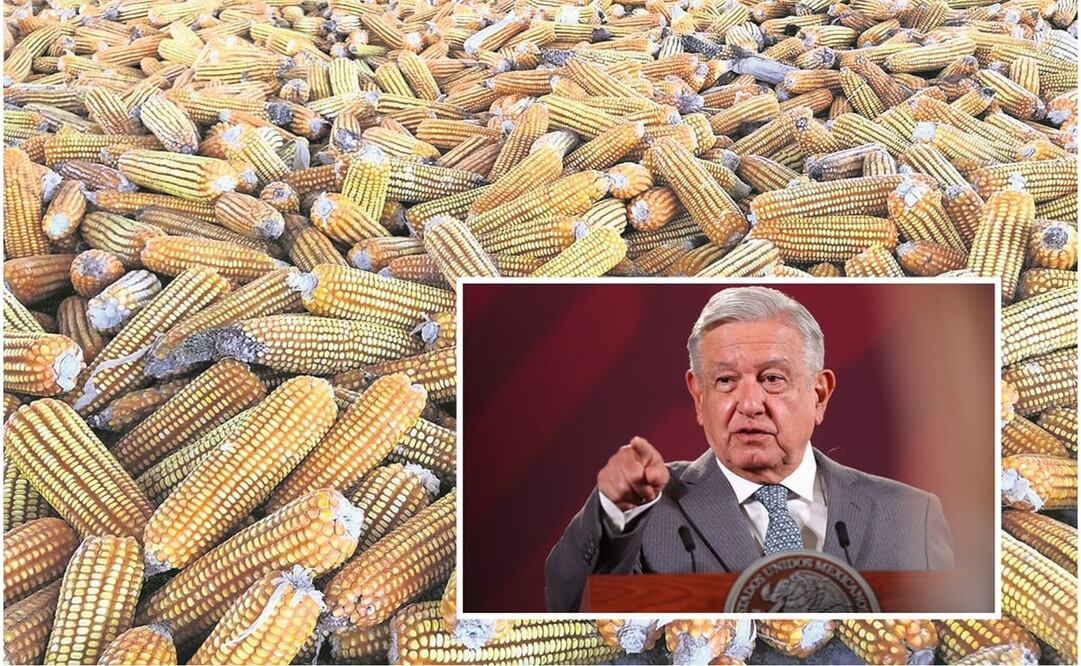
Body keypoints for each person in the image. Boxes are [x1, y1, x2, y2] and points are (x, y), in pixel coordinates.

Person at [544, 286, 955, 613]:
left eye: (772, 379)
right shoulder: (643, 508)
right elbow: (570, 607)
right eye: (725, 382)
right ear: (698, 396)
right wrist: (612, 512)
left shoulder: (910, 516)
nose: (749, 403)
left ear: (820, 393)